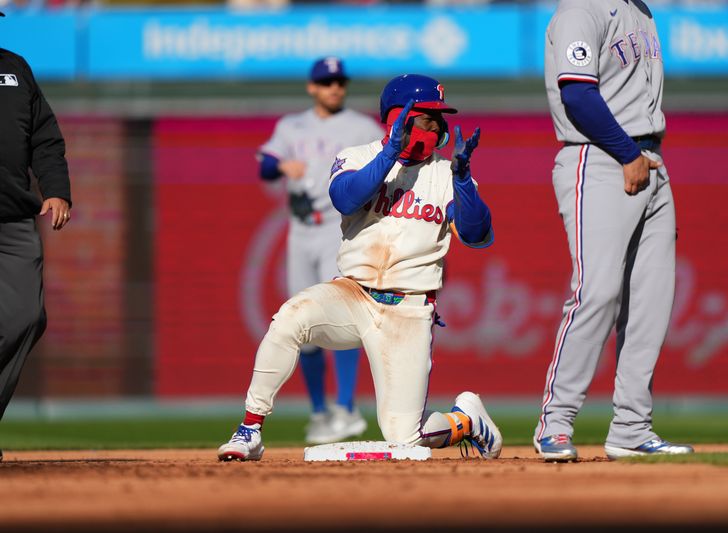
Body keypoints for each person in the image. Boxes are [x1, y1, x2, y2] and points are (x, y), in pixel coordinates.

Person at [218, 74, 502, 461]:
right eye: (424, 118)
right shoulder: (357, 155)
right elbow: (346, 199)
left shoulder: (444, 173)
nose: (434, 127)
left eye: (438, 120)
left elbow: (478, 235)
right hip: (352, 294)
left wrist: (465, 182)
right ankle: (249, 429)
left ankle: (465, 420)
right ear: (396, 117)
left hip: (409, 309)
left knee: (405, 439)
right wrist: (391, 153)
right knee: (289, 318)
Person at [533, 0, 694, 462]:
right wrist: (627, 154)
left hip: (649, 159)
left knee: (651, 300)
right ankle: (556, 422)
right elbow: (578, 95)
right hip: (600, 157)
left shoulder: (641, 11)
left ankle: (631, 427)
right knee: (597, 292)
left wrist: (638, 157)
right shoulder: (580, 10)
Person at [256, 57, 384, 444]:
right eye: (326, 82)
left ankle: (345, 407)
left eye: (339, 82)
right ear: (312, 87)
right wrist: (280, 167)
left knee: (342, 318)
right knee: (303, 325)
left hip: (337, 229)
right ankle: (319, 413)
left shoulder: (361, 127)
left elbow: (386, 165)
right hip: (300, 229)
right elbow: (264, 166)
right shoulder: (291, 126)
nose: (334, 88)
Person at [0, 13, 72, 463]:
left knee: (27, 317)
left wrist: (57, 190)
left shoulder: (15, 69)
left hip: (12, 218)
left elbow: (45, 139)